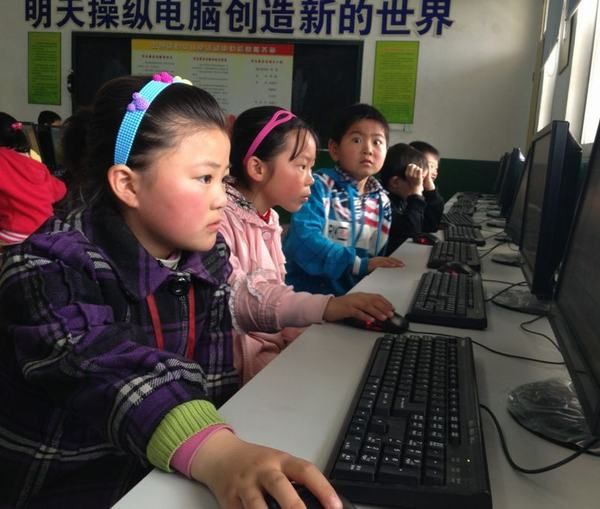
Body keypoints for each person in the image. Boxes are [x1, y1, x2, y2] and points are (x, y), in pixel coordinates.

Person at [0, 74, 344, 509]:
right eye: (204, 178)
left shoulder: (207, 255)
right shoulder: (47, 266)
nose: (222, 198)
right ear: (128, 184)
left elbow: (213, 376)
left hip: (166, 475)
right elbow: (105, 366)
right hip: (75, 486)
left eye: (223, 178)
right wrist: (218, 452)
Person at [219, 106, 396, 383]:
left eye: (311, 167)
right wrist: (327, 307)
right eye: (302, 166)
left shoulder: (268, 217)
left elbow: (274, 303)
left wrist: (305, 331)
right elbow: (246, 302)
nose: (310, 178)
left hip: (271, 353)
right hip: (239, 376)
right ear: (258, 168)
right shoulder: (221, 219)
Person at [283, 103, 403, 296]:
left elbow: (377, 258)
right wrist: (358, 264)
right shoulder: (318, 187)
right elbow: (303, 240)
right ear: (335, 149)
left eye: (377, 142)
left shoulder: (382, 200)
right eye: (357, 140)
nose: (368, 149)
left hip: (355, 296)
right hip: (308, 298)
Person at [0, 112, 66, 246]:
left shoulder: (2, 159)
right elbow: (59, 191)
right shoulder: (34, 163)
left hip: (15, 234)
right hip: (46, 231)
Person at [380, 143, 445, 254]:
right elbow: (411, 235)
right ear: (396, 182)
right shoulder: (384, 203)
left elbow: (429, 226)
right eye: (418, 181)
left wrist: (430, 189)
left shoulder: (401, 198)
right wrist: (416, 193)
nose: (421, 187)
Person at [409, 140, 444, 229]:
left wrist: (431, 191)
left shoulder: (426, 191)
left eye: (436, 168)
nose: (435, 173)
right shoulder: (404, 190)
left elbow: (431, 225)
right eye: (431, 166)